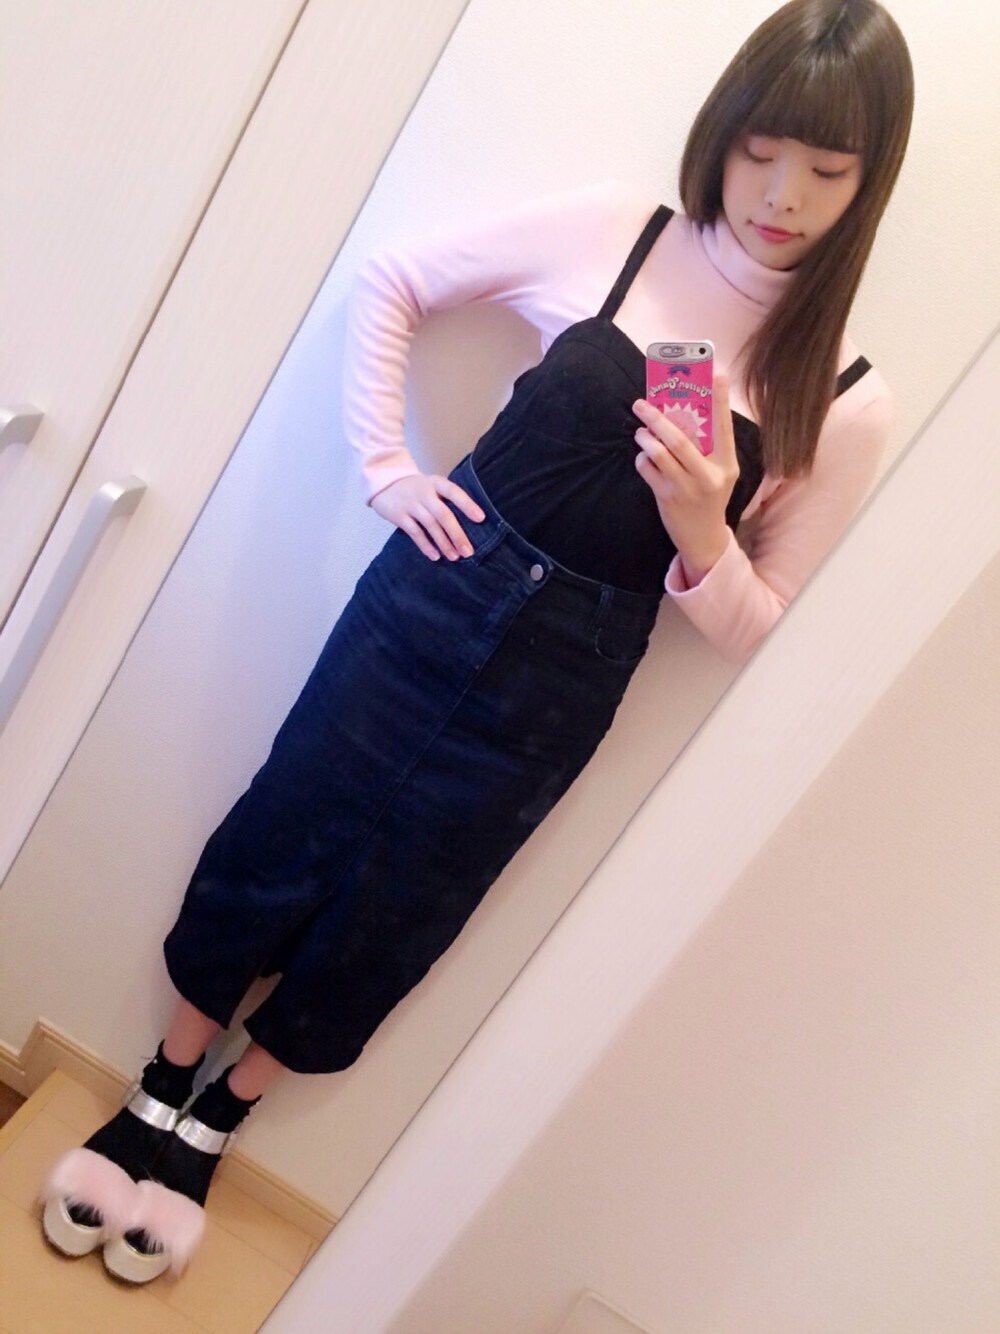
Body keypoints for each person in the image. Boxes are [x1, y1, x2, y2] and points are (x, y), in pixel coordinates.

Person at [40, 0, 913, 1284]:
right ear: (722, 133)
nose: (783, 196)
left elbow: (763, 631)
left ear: (867, 181)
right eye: (761, 151)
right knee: (285, 823)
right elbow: (392, 277)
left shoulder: (844, 395)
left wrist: (702, 533)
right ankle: (158, 1085)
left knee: (407, 903)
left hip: (568, 677)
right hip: (435, 590)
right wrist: (386, 466)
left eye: (827, 170)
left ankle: (217, 1122)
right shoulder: (618, 233)